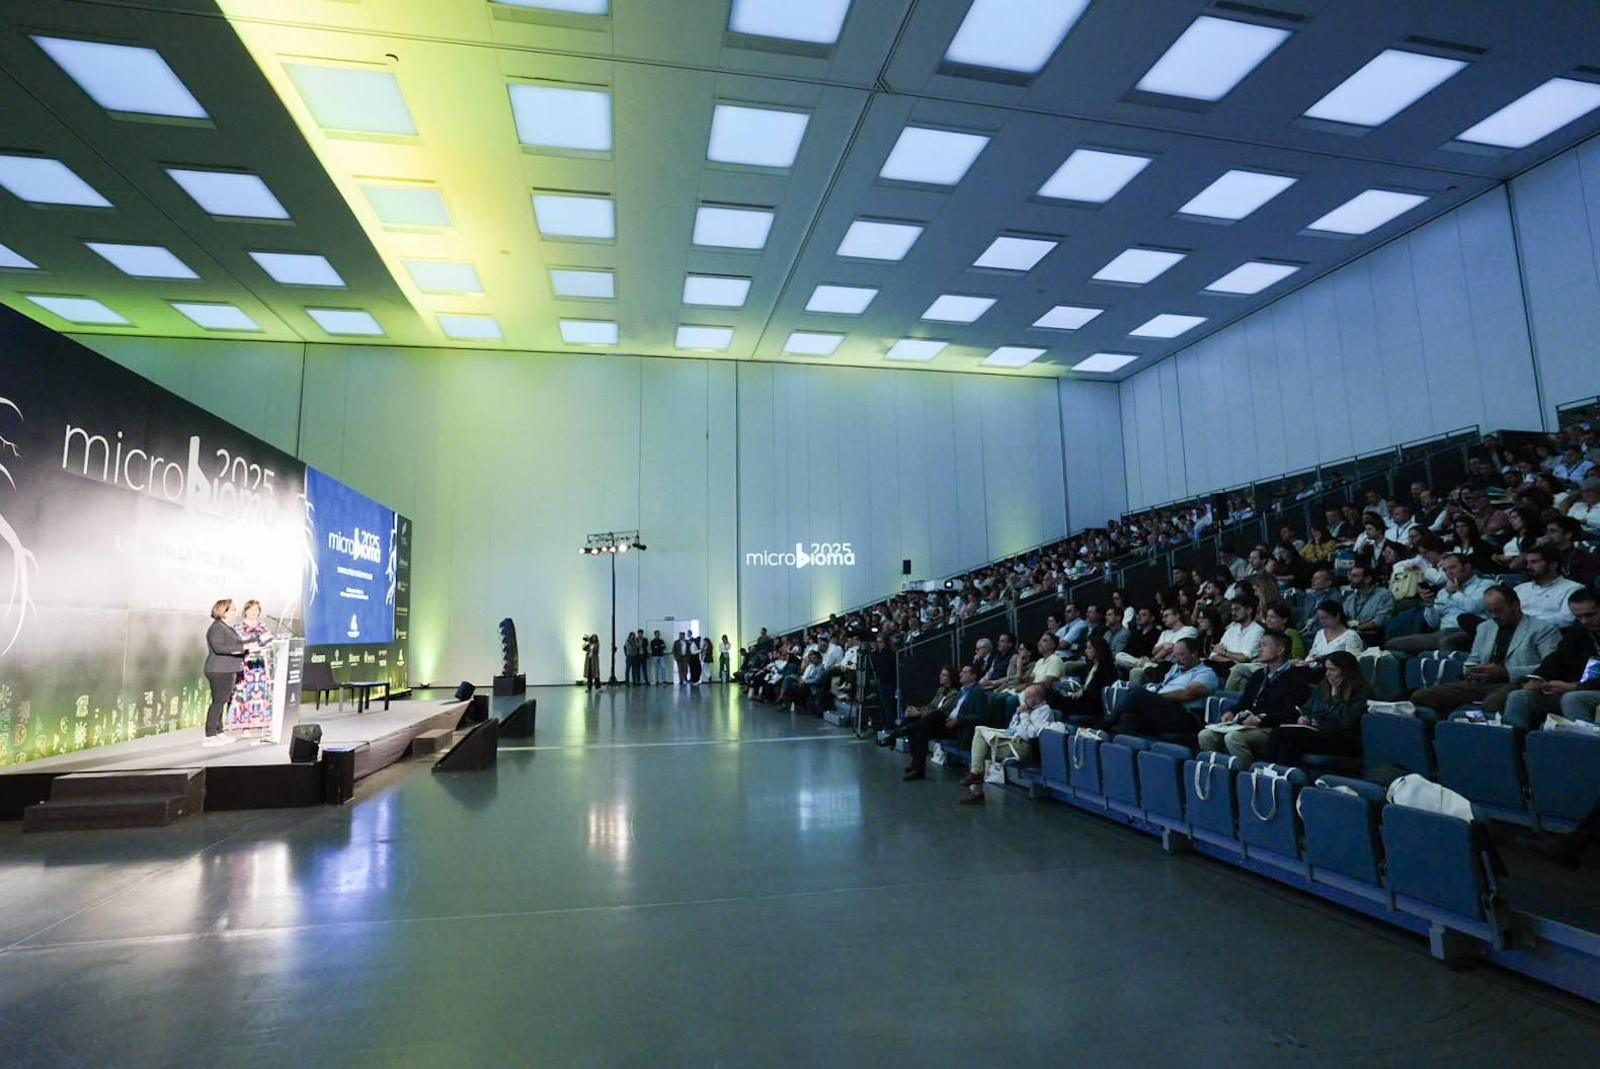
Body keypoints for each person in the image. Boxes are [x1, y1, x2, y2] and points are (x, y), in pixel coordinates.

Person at [1410, 585, 1560, 717]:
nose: (1494, 616)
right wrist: (1471, 670)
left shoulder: (1543, 629)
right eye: (1489, 611)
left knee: (1492, 704)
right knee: (1421, 697)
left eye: (1499, 611)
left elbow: (1550, 669)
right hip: (1482, 682)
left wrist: (1505, 672)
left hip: (1518, 684)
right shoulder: (1485, 627)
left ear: (1516, 606)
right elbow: (1473, 659)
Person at [1197, 630, 1314, 767]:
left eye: (1264, 645)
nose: (1260, 649)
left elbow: (1291, 713)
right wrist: (1232, 712)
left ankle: (1247, 779)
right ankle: (1220, 776)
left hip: (1273, 728)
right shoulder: (1259, 674)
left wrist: (1260, 721)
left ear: (1280, 650)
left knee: (1234, 738)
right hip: (1249, 724)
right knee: (1205, 735)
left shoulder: (1296, 677)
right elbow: (1245, 701)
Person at [1501, 586, 1600, 730]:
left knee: (1573, 698)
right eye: (1578, 616)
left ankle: (1583, 749)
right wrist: (1537, 679)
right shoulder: (1578, 632)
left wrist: (1575, 687)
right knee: (1519, 696)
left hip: (1584, 691)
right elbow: (1557, 660)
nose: (1584, 621)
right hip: (1577, 689)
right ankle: (1515, 748)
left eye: (1590, 615)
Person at [1264, 650, 1370, 766]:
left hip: (1342, 739)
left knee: (1281, 734)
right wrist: (1303, 717)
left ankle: (1273, 772)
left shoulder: (1362, 691)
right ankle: (1279, 775)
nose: (1327, 674)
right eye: (1327, 669)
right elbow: (1307, 708)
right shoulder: (1324, 685)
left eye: (1332, 670)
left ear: (1346, 671)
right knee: (1287, 743)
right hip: (1317, 731)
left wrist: (1336, 697)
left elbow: (1347, 720)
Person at [1101, 637, 1217, 739]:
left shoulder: (1206, 673)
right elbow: (1163, 686)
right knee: (1129, 718)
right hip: (1163, 711)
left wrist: (1155, 697)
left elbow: (1187, 694)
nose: (1177, 659)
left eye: (1181, 655)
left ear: (1194, 653)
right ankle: (1119, 749)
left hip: (1184, 715)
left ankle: (1105, 723)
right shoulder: (1176, 668)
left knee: (1137, 692)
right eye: (1175, 655)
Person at [957, 684, 1053, 805]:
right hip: (1011, 739)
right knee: (979, 739)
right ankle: (976, 782)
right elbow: (1012, 727)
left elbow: (1032, 734)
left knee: (979, 749)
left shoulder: (1045, 711)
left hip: (1023, 746)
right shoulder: (1027, 709)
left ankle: (977, 788)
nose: (1024, 700)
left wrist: (1023, 715)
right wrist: (1018, 715)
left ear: (1038, 699)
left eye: (1028, 697)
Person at [1384, 552, 1492, 655]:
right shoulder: (1443, 592)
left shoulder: (1486, 585)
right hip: (1441, 632)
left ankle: (1451, 671)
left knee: (1447, 642)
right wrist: (1429, 604)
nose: (1449, 572)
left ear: (1467, 567)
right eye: (1445, 570)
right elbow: (1433, 623)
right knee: (1393, 644)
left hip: (1470, 632)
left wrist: (1455, 593)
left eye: (1453, 567)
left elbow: (1473, 608)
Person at [903, 665, 988, 781]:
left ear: (973, 676)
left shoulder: (977, 692)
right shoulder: (962, 691)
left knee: (930, 718)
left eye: (964, 672)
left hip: (959, 728)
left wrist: (959, 719)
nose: (960, 674)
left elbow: (982, 717)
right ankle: (918, 769)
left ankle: (896, 735)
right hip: (948, 723)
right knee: (920, 727)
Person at [203, 599, 257, 747]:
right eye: (232, 609)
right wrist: (244, 649)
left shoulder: (228, 628)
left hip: (228, 669)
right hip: (219, 670)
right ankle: (210, 735)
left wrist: (253, 642)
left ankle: (219, 732)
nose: (235, 611)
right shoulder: (216, 628)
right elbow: (220, 648)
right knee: (218, 702)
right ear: (223, 611)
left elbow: (237, 644)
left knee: (222, 702)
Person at [226, 599, 274, 734]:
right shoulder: (238, 628)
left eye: (256, 610)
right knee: (245, 694)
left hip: (261, 665)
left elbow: (270, 641)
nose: (254, 613)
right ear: (245, 611)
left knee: (261, 695)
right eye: (251, 610)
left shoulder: (264, 627)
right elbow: (236, 645)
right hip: (246, 665)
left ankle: (264, 723)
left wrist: (267, 645)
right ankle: (245, 727)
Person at [1514, 544, 1584, 628]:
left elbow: (1567, 619)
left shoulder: (1573, 588)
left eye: (1534, 562)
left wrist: (1526, 623)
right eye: (1527, 563)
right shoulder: (1520, 588)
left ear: (1553, 565)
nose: (1528, 567)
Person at [1343, 563, 1395, 645]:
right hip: (1350, 637)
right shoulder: (1350, 599)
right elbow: (1344, 618)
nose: (1350, 579)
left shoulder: (1384, 595)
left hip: (1373, 638)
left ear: (1367, 579)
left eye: (1355, 576)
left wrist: (1356, 629)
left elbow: (1381, 620)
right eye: (1350, 575)